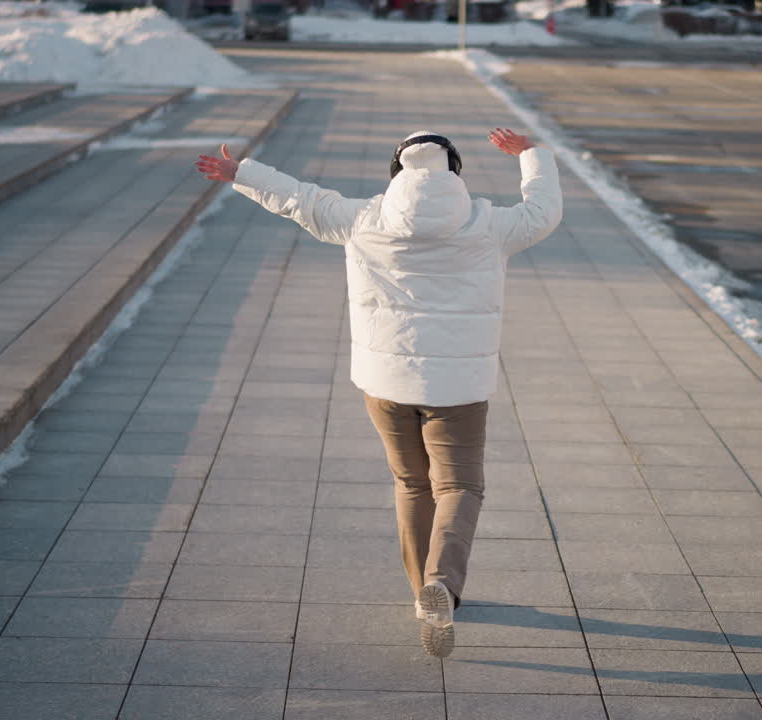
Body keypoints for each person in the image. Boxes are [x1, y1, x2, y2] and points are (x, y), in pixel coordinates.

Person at [195, 129, 562, 658]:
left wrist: (243, 174)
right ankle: (443, 582)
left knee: (412, 482)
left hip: (385, 384)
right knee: (459, 486)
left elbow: (301, 198)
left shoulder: (362, 218)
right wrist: (531, 154)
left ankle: (423, 595)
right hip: (458, 389)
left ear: (395, 172)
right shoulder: (489, 224)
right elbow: (543, 211)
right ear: (455, 171)